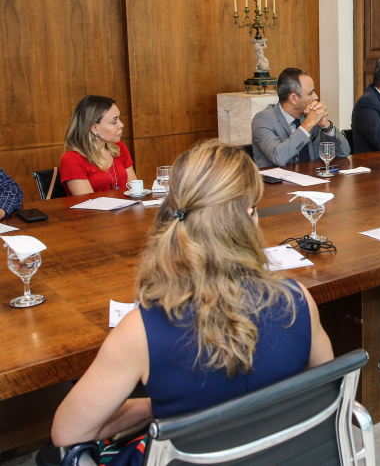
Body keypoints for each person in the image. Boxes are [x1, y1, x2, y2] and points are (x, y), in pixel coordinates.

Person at [51, 140, 333, 460]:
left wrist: (150, 407)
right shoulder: (298, 301)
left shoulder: (139, 332)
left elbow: (67, 431)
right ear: (250, 219)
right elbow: (322, 391)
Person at [251, 67, 350, 168]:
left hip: (312, 180)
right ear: (294, 98)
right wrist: (307, 125)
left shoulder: (309, 115)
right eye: (311, 93)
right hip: (277, 183)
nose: (316, 97)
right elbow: (278, 157)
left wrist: (327, 127)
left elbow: (344, 153)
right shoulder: (263, 120)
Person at [60, 95, 138, 196]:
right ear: (94, 127)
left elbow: (135, 190)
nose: (121, 125)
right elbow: (88, 203)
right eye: (114, 122)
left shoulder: (119, 148)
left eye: (119, 119)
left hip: (127, 210)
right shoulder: (72, 159)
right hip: (95, 211)